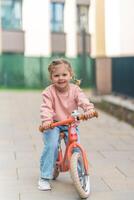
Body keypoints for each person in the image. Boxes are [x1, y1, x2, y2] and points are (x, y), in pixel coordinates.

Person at [38, 58, 95, 191]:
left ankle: (80, 175)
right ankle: (44, 177)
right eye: (56, 75)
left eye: (64, 75)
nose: (61, 78)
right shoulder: (49, 92)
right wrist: (47, 121)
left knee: (77, 148)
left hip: (70, 124)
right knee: (51, 146)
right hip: (53, 124)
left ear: (70, 75)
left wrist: (89, 110)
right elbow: (46, 108)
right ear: (51, 78)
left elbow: (83, 100)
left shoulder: (75, 90)